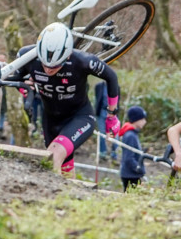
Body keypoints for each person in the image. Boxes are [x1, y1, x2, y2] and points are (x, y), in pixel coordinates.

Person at [16, 22, 121, 174]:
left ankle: (50, 197)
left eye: (55, 66)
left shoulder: (84, 61)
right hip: (50, 119)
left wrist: (112, 115)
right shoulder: (27, 55)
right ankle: (68, 195)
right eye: (45, 65)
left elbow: (111, 77)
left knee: (53, 156)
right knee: (64, 168)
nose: (48, 69)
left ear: (68, 56)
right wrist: (22, 86)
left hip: (80, 117)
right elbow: (13, 78)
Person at [119, 105, 148, 191]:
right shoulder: (130, 136)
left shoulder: (133, 134)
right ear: (136, 120)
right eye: (142, 119)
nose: (145, 122)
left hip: (132, 174)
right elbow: (128, 158)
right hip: (130, 175)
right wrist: (138, 168)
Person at [95, 81, 118, 163]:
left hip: (112, 112)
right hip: (102, 111)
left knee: (114, 134)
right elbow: (97, 99)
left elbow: (118, 100)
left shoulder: (116, 86)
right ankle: (102, 153)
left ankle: (114, 154)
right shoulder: (99, 86)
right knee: (102, 134)